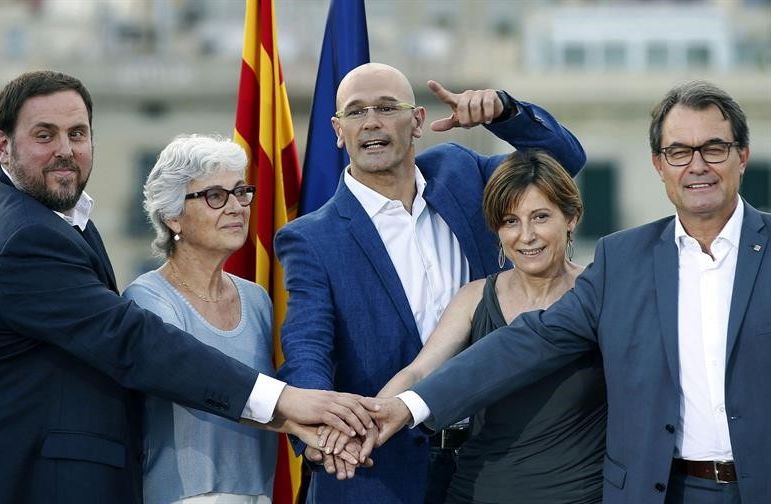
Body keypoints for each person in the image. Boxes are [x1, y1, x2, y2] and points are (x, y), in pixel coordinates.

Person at [0, 70, 376, 504]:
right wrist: (286, 404)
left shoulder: (54, 219)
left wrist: (300, 420)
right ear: (2, 145)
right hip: (44, 481)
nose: (66, 150)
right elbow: (133, 342)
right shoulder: (24, 237)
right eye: (44, 135)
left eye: (77, 133)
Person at [374, 80, 768, 504]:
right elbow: (525, 343)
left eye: (714, 148)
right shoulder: (624, 260)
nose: (697, 165)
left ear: (742, 156)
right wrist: (407, 405)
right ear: (658, 164)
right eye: (679, 152)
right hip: (662, 491)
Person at [274, 62, 586, 503]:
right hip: (378, 470)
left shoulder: (460, 172)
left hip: (492, 462)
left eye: (387, 107)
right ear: (338, 130)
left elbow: (560, 166)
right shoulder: (311, 237)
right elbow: (307, 347)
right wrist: (323, 431)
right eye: (356, 112)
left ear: (418, 121)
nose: (371, 122)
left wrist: (505, 113)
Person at [376, 150, 606, 504]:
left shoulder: (602, 293)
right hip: (474, 493)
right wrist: (366, 424)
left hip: (579, 495)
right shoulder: (473, 298)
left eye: (540, 217)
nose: (526, 236)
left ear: (571, 217)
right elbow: (420, 373)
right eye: (510, 221)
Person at [122, 134, 277, 503]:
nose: (236, 207)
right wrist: (299, 415)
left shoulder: (257, 299)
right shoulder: (147, 299)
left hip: (260, 495)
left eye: (241, 192)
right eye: (215, 196)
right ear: (173, 216)